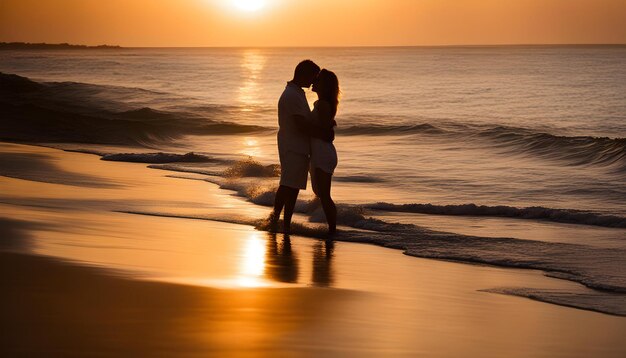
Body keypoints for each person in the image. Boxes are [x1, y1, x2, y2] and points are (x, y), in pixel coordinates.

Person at [269, 60, 320, 233]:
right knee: (288, 184)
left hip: (296, 145)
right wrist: (322, 131)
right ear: (303, 74)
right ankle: (276, 220)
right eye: (313, 76)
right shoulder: (292, 95)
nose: (314, 81)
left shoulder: (296, 92)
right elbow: (300, 123)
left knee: (293, 186)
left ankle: (284, 223)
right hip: (293, 145)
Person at [309, 69, 339, 234]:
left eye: (318, 79)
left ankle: (333, 231)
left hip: (322, 153)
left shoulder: (322, 105)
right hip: (321, 152)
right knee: (322, 194)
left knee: (325, 195)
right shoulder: (323, 104)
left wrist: (301, 126)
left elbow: (324, 132)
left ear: (325, 86)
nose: (314, 81)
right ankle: (332, 229)